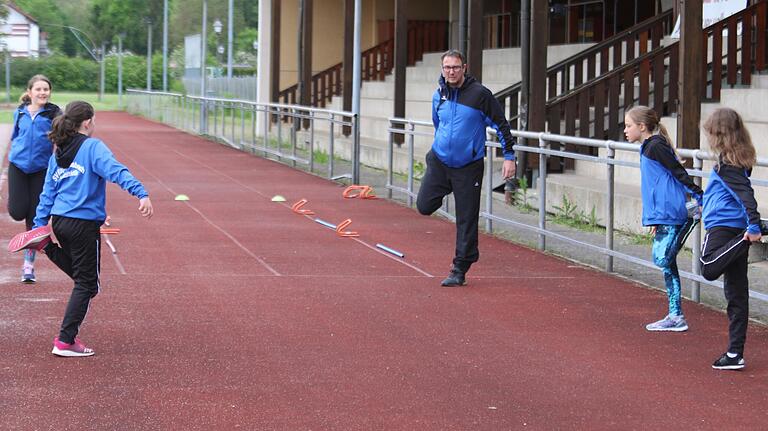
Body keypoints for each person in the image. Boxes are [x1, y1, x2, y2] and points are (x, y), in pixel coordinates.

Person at [11, 101, 153, 357]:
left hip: (62, 222)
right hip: (83, 225)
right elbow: (115, 171)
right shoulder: (93, 147)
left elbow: (48, 191)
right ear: (87, 122)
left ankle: (46, 245)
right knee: (87, 284)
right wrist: (140, 192)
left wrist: (41, 224)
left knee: (86, 281)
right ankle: (65, 340)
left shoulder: (59, 151)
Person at [417, 49, 516, 287]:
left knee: (466, 218)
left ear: (464, 68)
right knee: (424, 206)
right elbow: (437, 123)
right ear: (442, 69)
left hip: (468, 166)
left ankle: (460, 267)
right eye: (447, 67)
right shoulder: (438, 94)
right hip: (440, 161)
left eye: (456, 67)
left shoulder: (480, 95)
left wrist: (509, 156)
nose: (451, 71)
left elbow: (501, 125)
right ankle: (448, 187)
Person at [624, 106, 703, 332]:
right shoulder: (649, 147)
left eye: (629, 126)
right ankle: (675, 314)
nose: (625, 131)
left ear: (642, 127)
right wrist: (654, 218)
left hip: (674, 212)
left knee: (663, 259)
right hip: (664, 214)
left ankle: (676, 315)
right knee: (665, 261)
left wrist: (700, 196)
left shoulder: (655, 146)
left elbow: (678, 172)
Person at [699, 108, 763, 370]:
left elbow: (746, 195)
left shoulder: (728, 164)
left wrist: (754, 227)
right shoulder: (735, 161)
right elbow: (733, 193)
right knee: (736, 294)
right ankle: (735, 354)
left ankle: (748, 237)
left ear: (719, 135)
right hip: (730, 225)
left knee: (707, 267)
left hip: (726, 229)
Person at [7, 75, 60, 283]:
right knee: (17, 211)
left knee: (35, 218)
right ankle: (20, 201)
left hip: (41, 170)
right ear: (30, 92)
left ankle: (28, 266)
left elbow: (63, 136)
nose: (42, 93)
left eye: (46, 89)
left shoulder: (54, 114)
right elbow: (16, 137)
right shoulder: (19, 112)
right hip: (18, 167)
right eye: (38, 89)